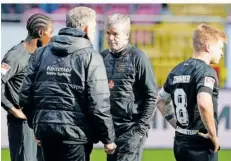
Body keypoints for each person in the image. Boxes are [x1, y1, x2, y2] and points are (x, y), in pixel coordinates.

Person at [19, 6, 116, 161]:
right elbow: (99, 103)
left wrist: (37, 126)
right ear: (85, 28)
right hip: (76, 136)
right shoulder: (91, 57)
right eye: (94, 27)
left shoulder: (41, 52)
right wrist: (108, 139)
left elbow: (24, 96)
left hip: (47, 133)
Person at [156, 24, 227, 161]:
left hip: (180, 142)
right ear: (208, 47)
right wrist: (213, 135)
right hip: (200, 144)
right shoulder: (206, 71)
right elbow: (204, 103)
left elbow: (160, 101)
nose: (222, 53)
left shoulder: (177, 69)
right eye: (220, 48)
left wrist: (177, 125)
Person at [101, 13, 158, 161]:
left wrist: (140, 129)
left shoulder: (138, 58)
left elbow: (152, 95)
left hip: (132, 129)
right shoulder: (102, 57)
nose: (110, 37)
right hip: (111, 131)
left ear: (126, 35)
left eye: (115, 34)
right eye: (108, 33)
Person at [1, 13, 53, 161]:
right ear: (41, 32)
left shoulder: (40, 54)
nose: (51, 37)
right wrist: (13, 110)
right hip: (23, 125)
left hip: (39, 123)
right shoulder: (15, 56)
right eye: (50, 33)